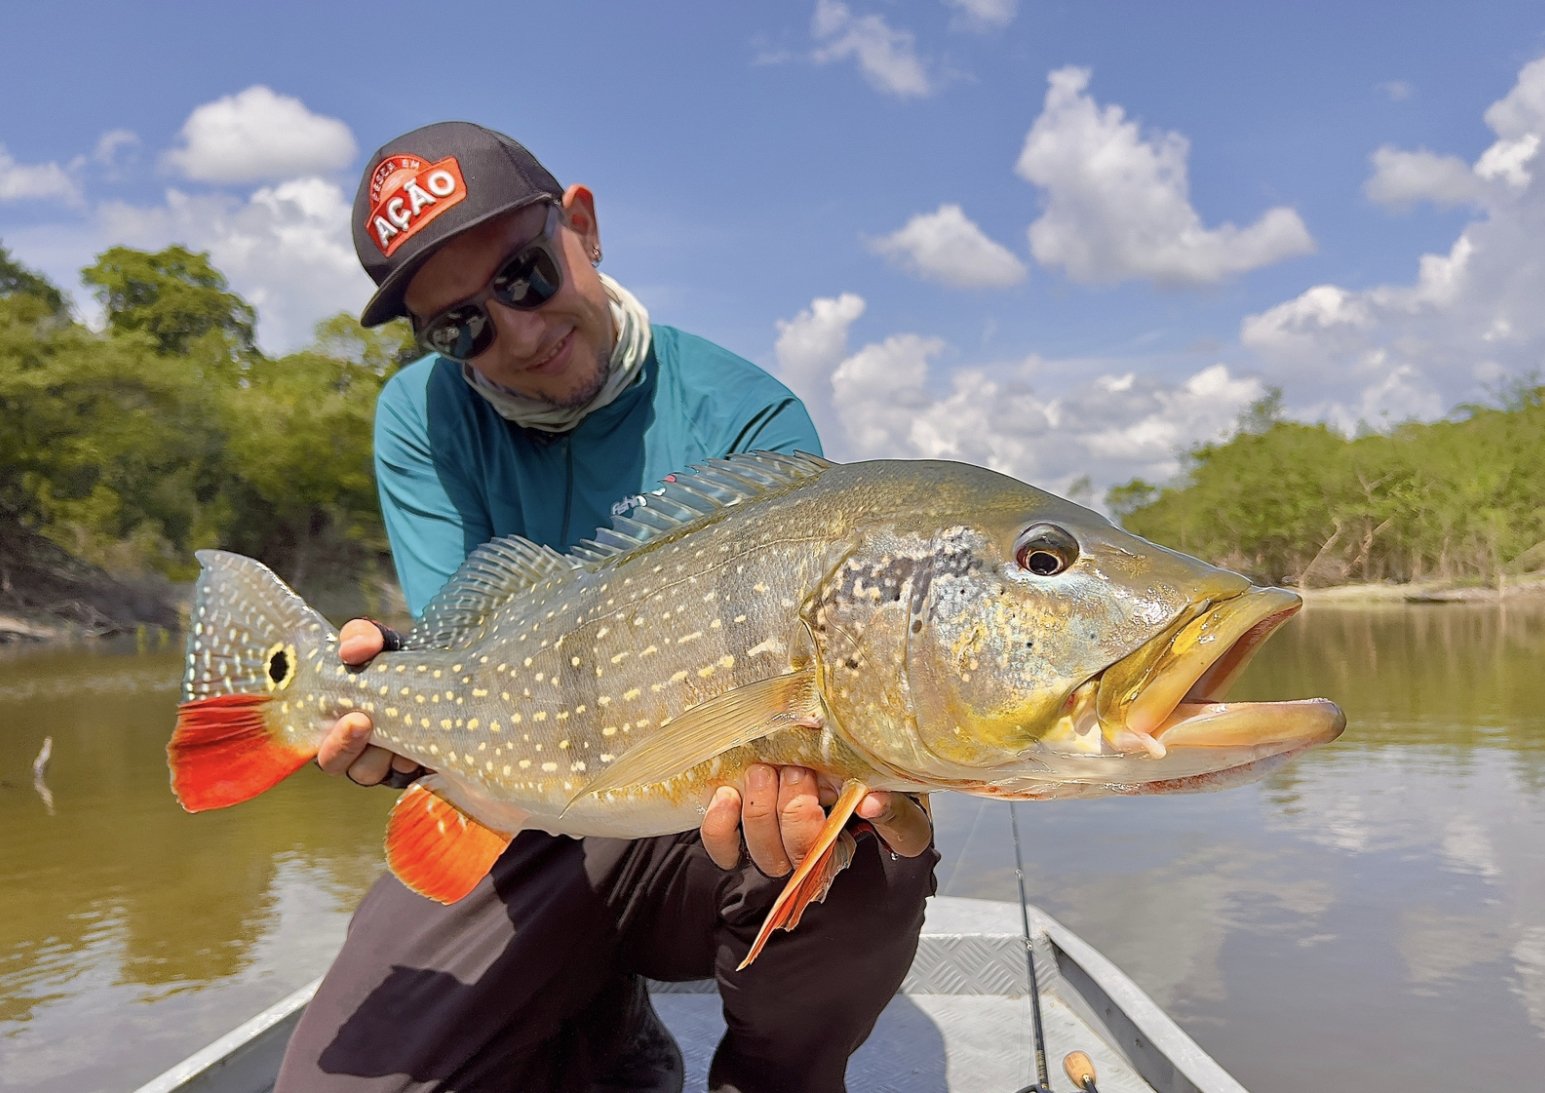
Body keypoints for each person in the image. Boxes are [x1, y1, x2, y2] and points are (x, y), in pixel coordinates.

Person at [275, 121, 938, 1093]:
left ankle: (772, 1076)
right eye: (460, 328)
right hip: (528, 802)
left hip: (699, 818)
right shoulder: (418, 416)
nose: (521, 333)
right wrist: (391, 721)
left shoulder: (747, 417)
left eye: (526, 275)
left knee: (868, 828)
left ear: (580, 223)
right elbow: (466, 657)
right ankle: (598, 1027)